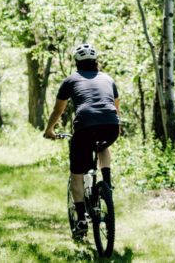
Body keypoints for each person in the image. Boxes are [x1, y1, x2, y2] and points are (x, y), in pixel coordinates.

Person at [43, 43, 120, 237]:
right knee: (103, 145)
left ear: (76, 63)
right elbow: (116, 108)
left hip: (85, 126)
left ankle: (81, 221)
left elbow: (58, 110)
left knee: (76, 175)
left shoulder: (71, 80)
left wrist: (49, 130)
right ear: (96, 61)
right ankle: (107, 184)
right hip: (111, 126)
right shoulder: (109, 79)